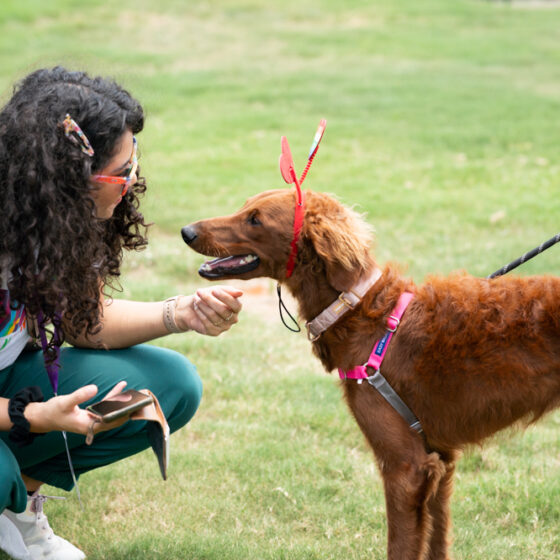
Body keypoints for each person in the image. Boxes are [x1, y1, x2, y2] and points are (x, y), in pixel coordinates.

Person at [0, 67, 243, 560]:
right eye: (122, 172)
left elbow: (84, 323)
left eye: (135, 165)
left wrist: (183, 313)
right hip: (14, 405)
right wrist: (34, 415)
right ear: (67, 181)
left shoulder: (54, 223)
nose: (132, 183)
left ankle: (15, 506)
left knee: (169, 384)